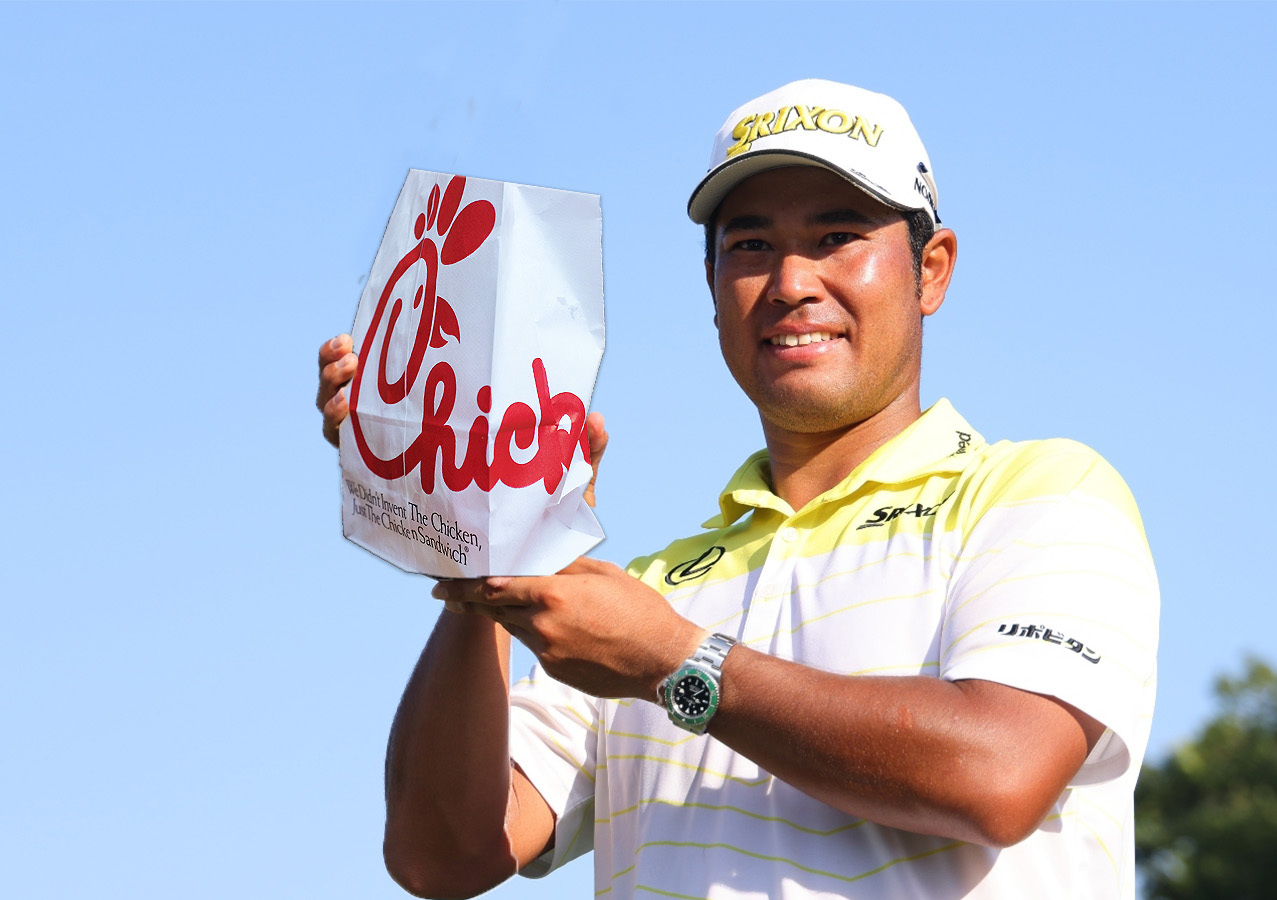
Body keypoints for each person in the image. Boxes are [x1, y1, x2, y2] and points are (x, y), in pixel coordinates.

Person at [317, 79, 1160, 899]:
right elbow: (441, 856)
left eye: (837, 236)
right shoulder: (643, 595)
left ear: (931, 270)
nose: (791, 281)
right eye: (751, 244)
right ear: (714, 287)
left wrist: (679, 662)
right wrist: (481, 536)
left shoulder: (1041, 492)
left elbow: (999, 772)